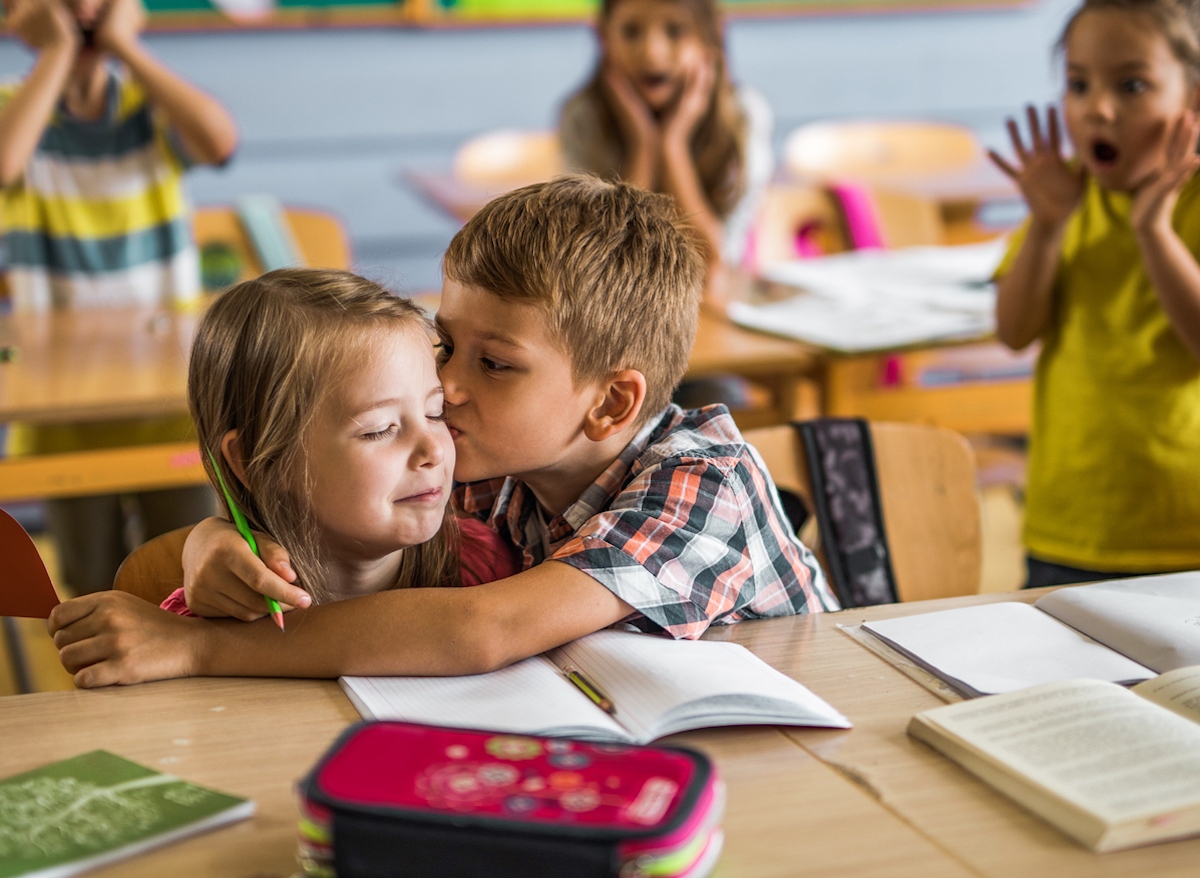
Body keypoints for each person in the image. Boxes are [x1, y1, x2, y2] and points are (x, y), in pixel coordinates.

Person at [49, 176, 837, 688]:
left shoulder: (705, 484)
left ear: (608, 405)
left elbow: (481, 629)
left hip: (799, 753)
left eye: (494, 364)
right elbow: (311, 491)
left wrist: (201, 649)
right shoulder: (493, 455)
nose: (445, 387)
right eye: (446, 344)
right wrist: (214, 538)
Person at [0, 0, 238, 595]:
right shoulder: (16, 113)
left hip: (170, 395)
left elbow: (218, 141)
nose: (83, 8)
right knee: (89, 582)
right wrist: (57, 52)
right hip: (62, 400)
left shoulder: (148, 111)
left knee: (188, 568)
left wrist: (128, 48)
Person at [158, 268, 517, 621]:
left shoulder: (484, 566)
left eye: (436, 413)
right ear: (256, 461)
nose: (435, 451)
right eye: (379, 430)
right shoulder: (194, 626)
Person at [989, 0, 1200, 588]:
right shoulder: (1064, 200)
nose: (1098, 109)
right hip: (1067, 524)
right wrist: (1049, 226)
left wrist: (1152, 230)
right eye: (1078, 85)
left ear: (1195, 100)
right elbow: (1014, 330)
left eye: (1132, 85)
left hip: (1183, 530)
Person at [559, 0, 771, 267]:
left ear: (711, 35)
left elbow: (715, 256)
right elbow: (602, 259)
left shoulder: (743, 115)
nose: (651, 52)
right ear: (603, 36)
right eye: (631, 31)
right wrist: (643, 144)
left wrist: (673, 145)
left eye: (675, 30)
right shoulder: (583, 117)